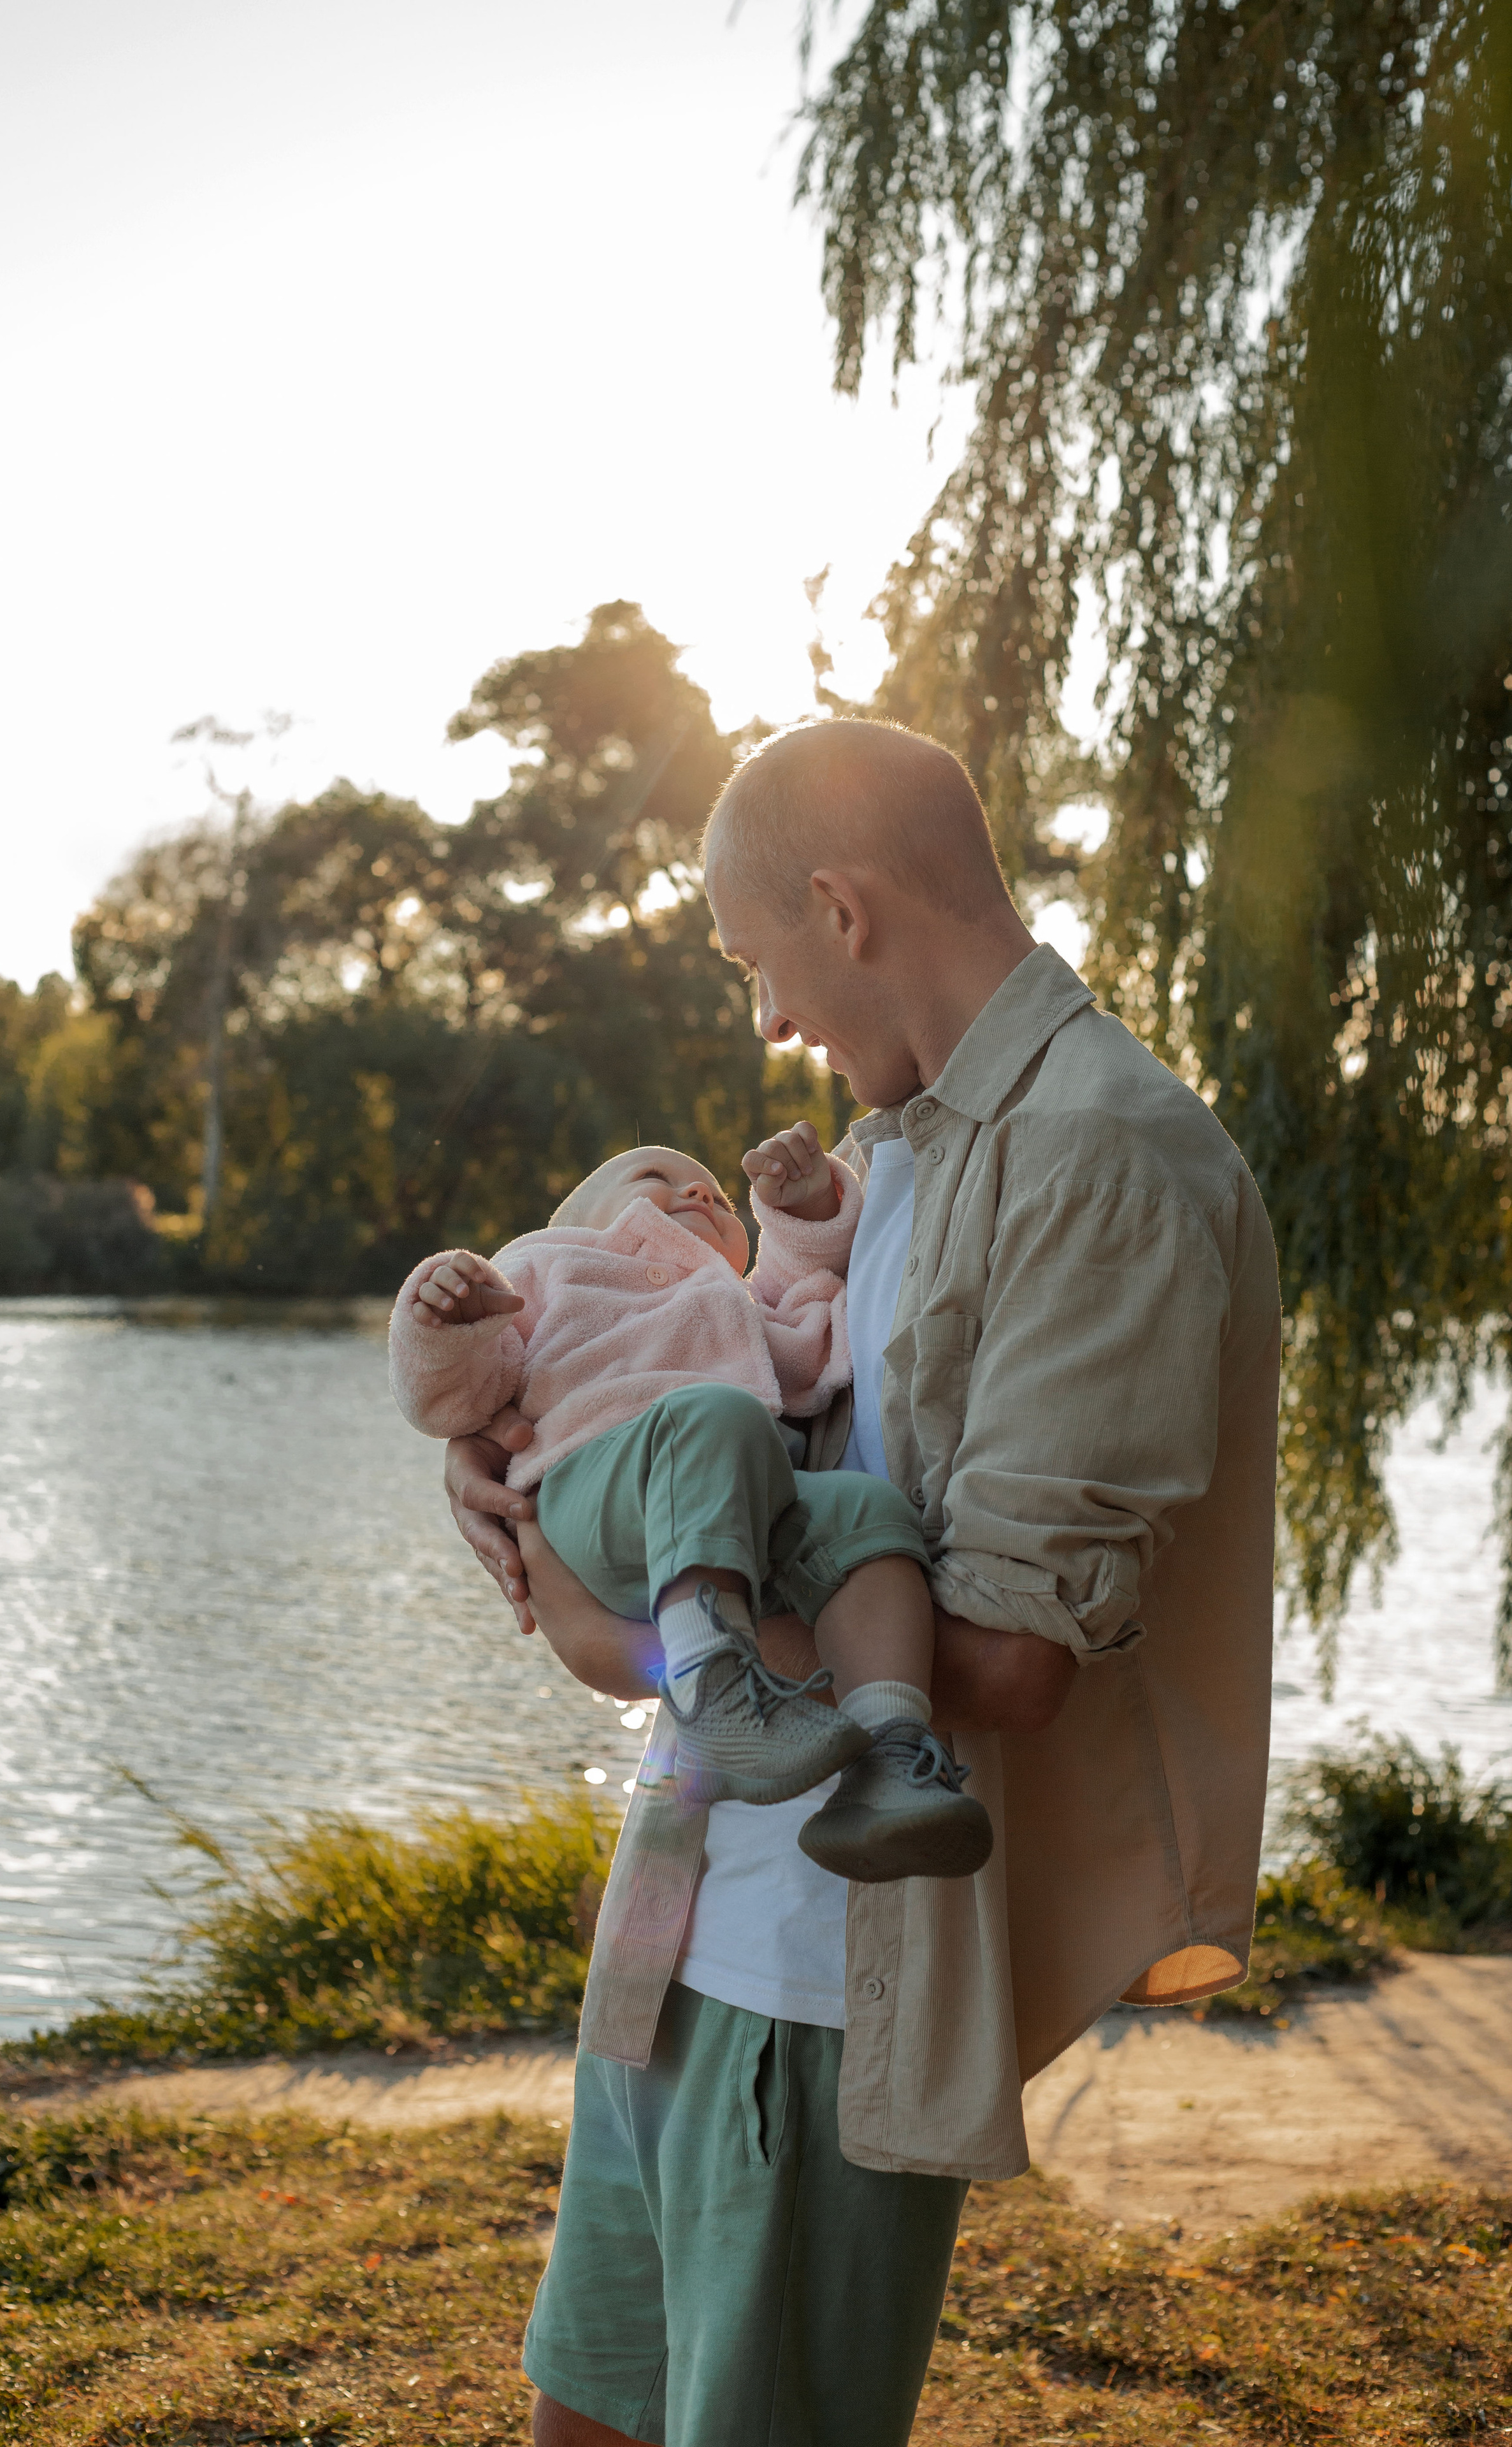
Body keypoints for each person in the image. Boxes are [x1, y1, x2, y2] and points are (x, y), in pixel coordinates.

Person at [444, 718, 1281, 2447]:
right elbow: (735, 1464)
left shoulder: (1103, 1159)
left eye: (761, 967)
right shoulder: (893, 1156)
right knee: (579, 2421)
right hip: (679, 1927)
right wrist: (521, 1470)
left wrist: (621, 1621)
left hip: (827, 1985)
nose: (769, 1026)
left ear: (840, 905)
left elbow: (1012, 1657)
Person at [389, 1127, 993, 1880]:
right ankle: (712, 1689)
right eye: (656, 1175)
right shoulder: (547, 1267)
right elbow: (457, 1397)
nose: (698, 1191)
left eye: (715, 1195)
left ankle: (892, 1760)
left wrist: (802, 1217)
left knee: (867, 1515)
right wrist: (447, 1319)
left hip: (741, 1525)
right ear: (577, 1220)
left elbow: (806, 1320)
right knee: (721, 1414)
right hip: (600, 1492)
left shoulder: (729, 1302)